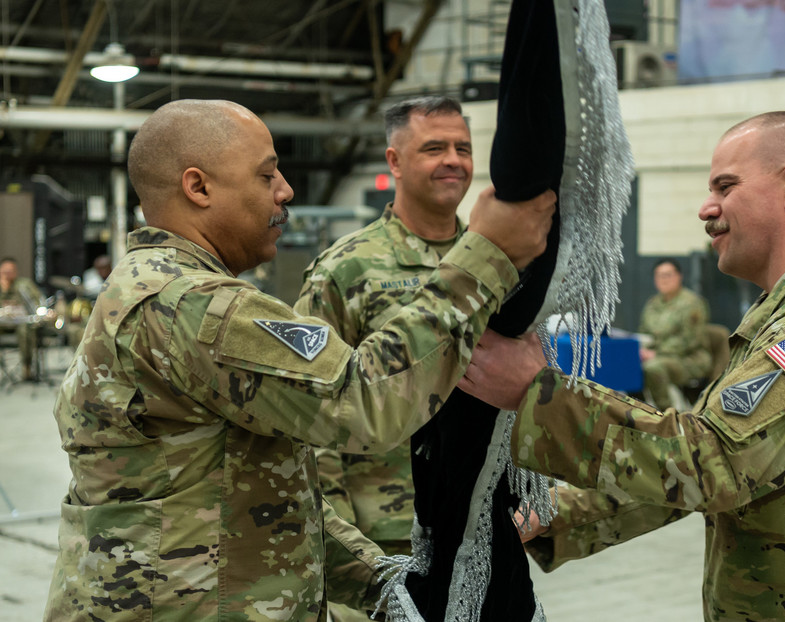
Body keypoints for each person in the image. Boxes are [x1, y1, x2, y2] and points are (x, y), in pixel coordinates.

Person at [45, 98, 555, 621]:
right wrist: (485, 256)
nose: (285, 190)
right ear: (198, 188)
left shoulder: (156, 288)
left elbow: (262, 494)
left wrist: (381, 581)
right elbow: (363, 401)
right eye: (267, 175)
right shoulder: (191, 305)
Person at [459, 111, 785, 621]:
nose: (707, 208)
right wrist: (550, 517)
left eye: (725, 187)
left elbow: (715, 463)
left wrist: (540, 394)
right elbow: (707, 470)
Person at [295, 96, 473, 621]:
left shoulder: (494, 266)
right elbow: (310, 414)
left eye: (463, 148)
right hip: (383, 535)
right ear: (394, 161)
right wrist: (343, 543)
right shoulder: (346, 270)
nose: (454, 160)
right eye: (434, 147)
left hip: (479, 522)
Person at [638, 258, 711, 410]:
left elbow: (690, 341)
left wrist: (656, 353)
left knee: (653, 368)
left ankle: (667, 416)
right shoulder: (652, 304)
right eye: (659, 276)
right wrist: (642, 349)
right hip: (660, 356)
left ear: (679, 276)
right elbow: (644, 333)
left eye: (668, 275)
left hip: (690, 359)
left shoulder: (691, 303)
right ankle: (639, 411)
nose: (663, 280)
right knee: (627, 365)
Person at [0, 256, 45, 380]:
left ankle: (27, 366)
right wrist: (4, 290)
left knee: (26, 330)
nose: (8, 274)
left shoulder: (24, 284)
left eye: (11, 271)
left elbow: (37, 301)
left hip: (20, 321)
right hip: (2, 323)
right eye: (5, 271)